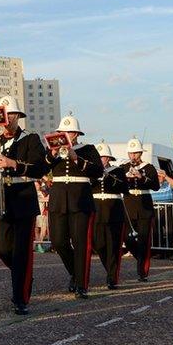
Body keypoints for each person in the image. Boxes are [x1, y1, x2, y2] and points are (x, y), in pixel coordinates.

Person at [0, 96, 48, 315]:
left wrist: (13, 164)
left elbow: (40, 167)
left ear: (18, 117)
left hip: (23, 197)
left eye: (11, 114)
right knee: (3, 249)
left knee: (22, 251)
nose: (7, 118)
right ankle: (23, 275)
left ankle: (20, 298)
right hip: (3, 198)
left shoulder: (30, 139)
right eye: (4, 114)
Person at [44, 114, 103, 299]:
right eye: (63, 131)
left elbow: (98, 171)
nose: (66, 134)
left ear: (77, 133)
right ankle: (75, 273)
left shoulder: (88, 149)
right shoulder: (53, 149)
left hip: (80, 198)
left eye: (69, 131)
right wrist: (52, 154)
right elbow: (42, 167)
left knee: (80, 243)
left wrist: (76, 157)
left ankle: (81, 284)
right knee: (58, 241)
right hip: (59, 197)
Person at [118, 137, 159, 281]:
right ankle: (140, 259)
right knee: (127, 239)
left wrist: (141, 177)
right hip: (129, 205)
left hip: (144, 205)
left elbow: (155, 186)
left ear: (140, 153)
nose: (133, 156)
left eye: (135, 153)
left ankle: (142, 271)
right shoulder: (123, 167)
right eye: (131, 153)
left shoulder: (148, 167)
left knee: (143, 239)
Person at [92, 143, 128, 289]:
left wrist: (108, 176)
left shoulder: (117, 171)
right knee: (98, 244)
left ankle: (112, 277)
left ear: (108, 158)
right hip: (96, 209)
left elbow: (123, 187)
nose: (100, 160)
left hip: (113, 209)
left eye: (102, 157)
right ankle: (110, 269)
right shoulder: (92, 171)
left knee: (113, 244)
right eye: (98, 157)